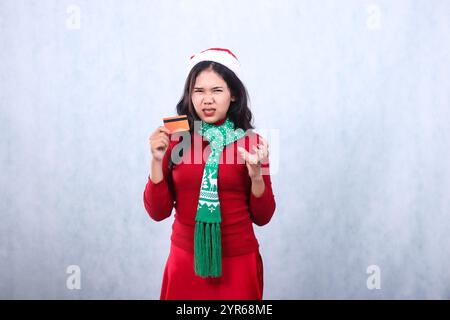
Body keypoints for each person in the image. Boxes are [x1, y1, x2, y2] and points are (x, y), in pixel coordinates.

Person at [143, 48, 276, 300]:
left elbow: (263, 216)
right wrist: (156, 160)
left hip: (237, 264)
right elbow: (157, 212)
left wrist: (257, 175)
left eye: (217, 91)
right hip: (185, 262)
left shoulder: (252, 143)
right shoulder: (176, 137)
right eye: (199, 91)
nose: (207, 100)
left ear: (233, 94)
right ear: (189, 95)